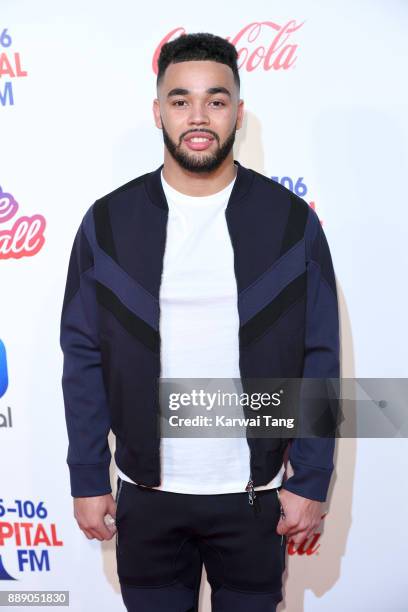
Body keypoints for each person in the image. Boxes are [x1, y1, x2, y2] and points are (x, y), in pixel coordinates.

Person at [59, 32, 340, 612]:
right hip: (148, 496)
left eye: (215, 100)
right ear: (158, 111)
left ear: (238, 112)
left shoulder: (291, 223)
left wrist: (310, 478)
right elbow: (83, 354)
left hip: (254, 498)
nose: (198, 116)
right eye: (181, 99)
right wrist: (88, 475)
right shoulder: (107, 224)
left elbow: (319, 355)